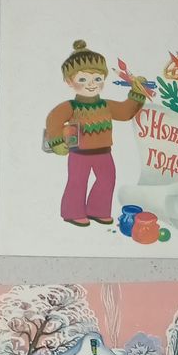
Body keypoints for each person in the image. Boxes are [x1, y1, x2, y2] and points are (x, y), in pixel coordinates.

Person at [43, 39, 147, 227]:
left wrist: (137, 93)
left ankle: (97, 210)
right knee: (77, 182)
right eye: (82, 79)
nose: (91, 84)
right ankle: (73, 212)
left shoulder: (106, 105)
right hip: (79, 153)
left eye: (97, 79)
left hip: (104, 152)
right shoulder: (71, 106)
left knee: (107, 180)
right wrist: (57, 141)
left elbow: (125, 112)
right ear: (70, 81)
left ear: (104, 79)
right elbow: (53, 120)